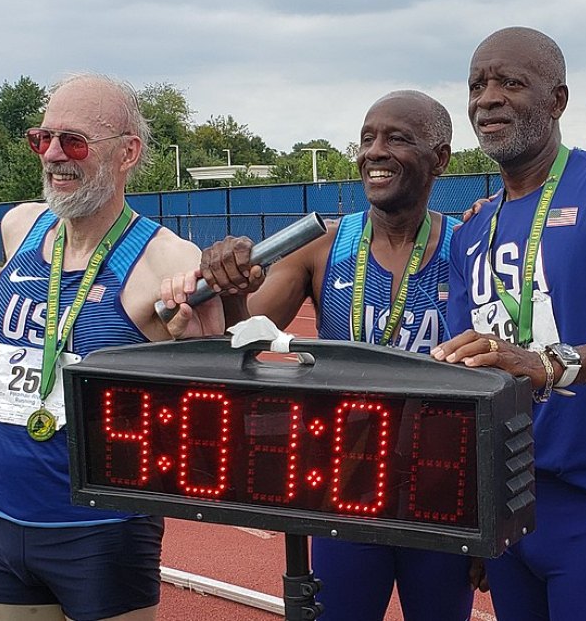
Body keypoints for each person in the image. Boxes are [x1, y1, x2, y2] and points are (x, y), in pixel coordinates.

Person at [161, 90, 475, 621]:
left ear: (440, 158)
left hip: (442, 492)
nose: (374, 151)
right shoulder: (322, 247)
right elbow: (248, 339)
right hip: (344, 488)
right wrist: (234, 285)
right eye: (368, 138)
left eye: (397, 138)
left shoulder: (468, 246)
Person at [430, 27, 586, 621]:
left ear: (558, 100)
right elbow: (467, 380)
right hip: (506, 504)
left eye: (511, 82)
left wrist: (546, 364)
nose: (487, 98)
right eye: (477, 84)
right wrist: (472, 510)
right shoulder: (470, 231)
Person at [0, 74, 222, 621]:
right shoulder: (19, 228)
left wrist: (201, 342)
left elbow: (205, 415)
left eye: (75, 142)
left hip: (102, 531)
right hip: (1, 519)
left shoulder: (168, 260)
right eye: (43, 138)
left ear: (127, 153)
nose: (54, 155)